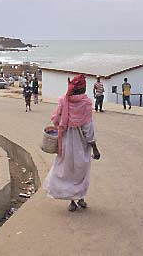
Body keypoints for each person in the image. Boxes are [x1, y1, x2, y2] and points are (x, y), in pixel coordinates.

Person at [44, 74, 101, 212]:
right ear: (82, 89)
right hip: (81, 145)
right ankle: (80, 198)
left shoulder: (63, 101)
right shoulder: (86, 103)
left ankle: (72, 201)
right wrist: (95, 148)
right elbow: (88, 129)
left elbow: (56, 120)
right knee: (80, 173)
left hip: (65, 144)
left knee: (67, 172)